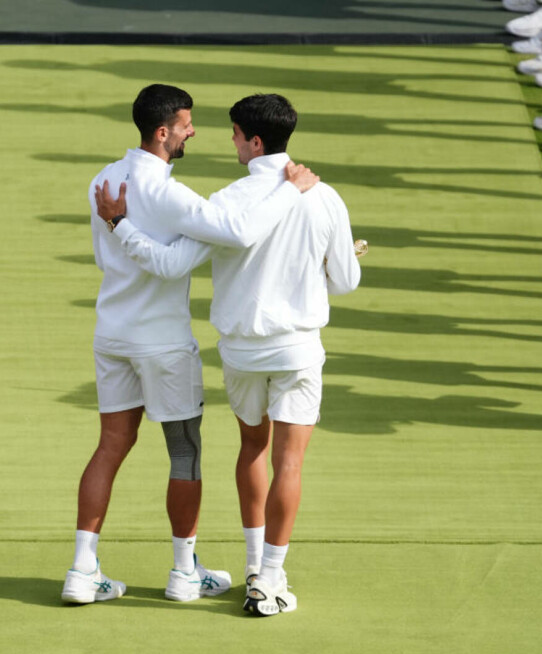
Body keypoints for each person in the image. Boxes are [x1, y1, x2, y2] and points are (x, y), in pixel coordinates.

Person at [94, 93, 361, 616]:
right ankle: (271, 577)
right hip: (297, 349)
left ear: (254, 141)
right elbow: (345, 281)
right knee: (289, 460)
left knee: (253, 450)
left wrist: (119, 227)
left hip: (241, 354)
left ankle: (254, 565)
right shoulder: (324, 198)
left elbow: (172, 262)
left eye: (234, 134)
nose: (228, 141)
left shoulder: (227, 199)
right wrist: (330, 266)